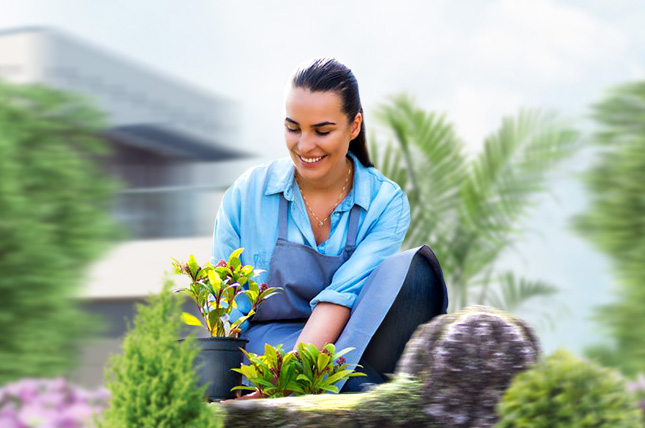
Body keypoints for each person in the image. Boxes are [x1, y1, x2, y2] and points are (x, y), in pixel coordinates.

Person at [212, 57, 448, 400]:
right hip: (256, 356)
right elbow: (226, 308)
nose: (305, 146)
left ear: (354, 126)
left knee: (412, 270)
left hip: (338, 349)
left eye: (322, 131)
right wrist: (233, 382)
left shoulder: (384, 202)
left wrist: (285, 383)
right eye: (293, 128)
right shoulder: (247, 195)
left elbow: (342, 297)